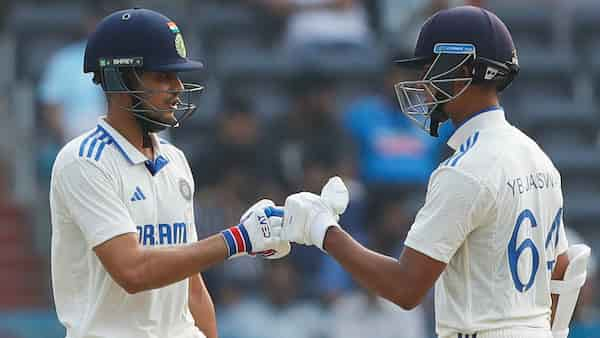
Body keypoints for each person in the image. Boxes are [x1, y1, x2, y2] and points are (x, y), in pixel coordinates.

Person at [276, 6, 591, 338]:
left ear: (463, 71)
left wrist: (323, 230)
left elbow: (406, 288)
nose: (422, 85)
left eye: (428, 71)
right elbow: (565, 265)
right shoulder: (537, 156)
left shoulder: (464, 169)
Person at [49, 8, 289, 338]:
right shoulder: (83, 162)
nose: (177, 87)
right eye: (162, 76)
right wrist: (238, 239)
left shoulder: (174, 160)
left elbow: (192, 287)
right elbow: (132, 271)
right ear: (120, 78)